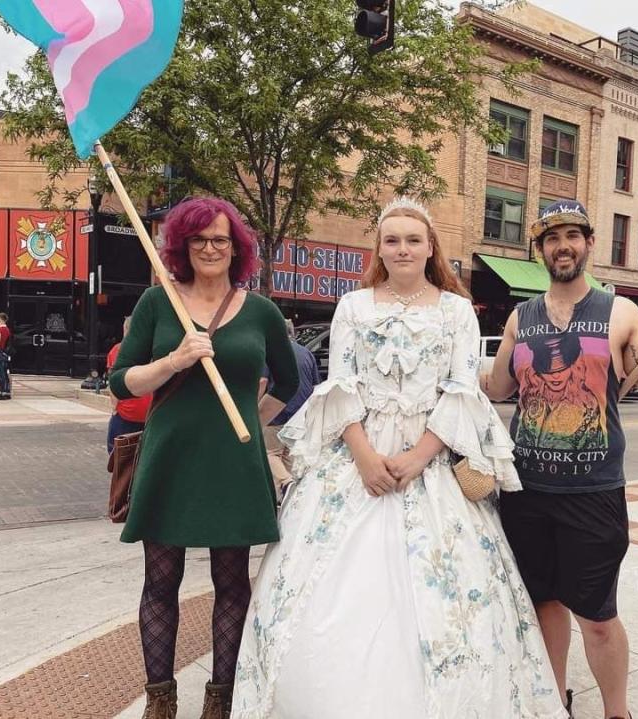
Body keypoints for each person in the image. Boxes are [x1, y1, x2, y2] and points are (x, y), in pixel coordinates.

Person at [232, 198, 566, 719]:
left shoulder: (457, 311)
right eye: (393, 240)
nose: (403, 248)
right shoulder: (353, 305)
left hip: (430, 464)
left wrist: (418, 457)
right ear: (380, 249)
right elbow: (338, 387)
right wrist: (364, 457)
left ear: (431, 247)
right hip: (355, 460)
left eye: (414, 239)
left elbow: (461, 392)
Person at [483, 200, 638, 719]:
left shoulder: (619, 312)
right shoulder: (520, 318)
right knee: (544, 605)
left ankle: (617, 712)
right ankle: (555, 701)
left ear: (589, 244)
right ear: (540, 250)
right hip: (525, 491)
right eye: (551, 238)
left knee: (596, 616)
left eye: (572, 235)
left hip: (592, 493)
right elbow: (499, 387)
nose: (562, 245)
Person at [108, 197, 299, 719]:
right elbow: (120, 380)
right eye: (199, 239)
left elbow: (290, 380)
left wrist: (251, 422)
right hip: (171, 457)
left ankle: (220, 698)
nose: (210, 248)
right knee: (161, 581)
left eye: (221, 239)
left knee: (232, 583)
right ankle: (160, 700)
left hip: (233, 464)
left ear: (236, 247)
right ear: (182, 246)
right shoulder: (156, 303)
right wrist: (173, 360)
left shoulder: (261, 310)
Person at [257, 318, 321, 497]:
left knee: (271, 453)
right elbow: (316, 385)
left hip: (275, 412)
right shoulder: (306, 353)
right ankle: (290, 495)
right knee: (290, 456)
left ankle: (286, 483)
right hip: (301, 415)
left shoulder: (272, 353)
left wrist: (254, 411)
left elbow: (262, 381)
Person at [106, 316, 153, 453]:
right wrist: (114, 407)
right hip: (132, 414)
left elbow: (112, 379)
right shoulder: (118, 350)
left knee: (120, 457)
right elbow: (113, 380)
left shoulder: (118, 350)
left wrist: (114, 407)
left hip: (137, 414)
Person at [0, 312, 12, 400]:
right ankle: (6, 392)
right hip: (4, 352)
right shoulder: (7, 329)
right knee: (4, 372)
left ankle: (0, 392)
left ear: (0, 320)